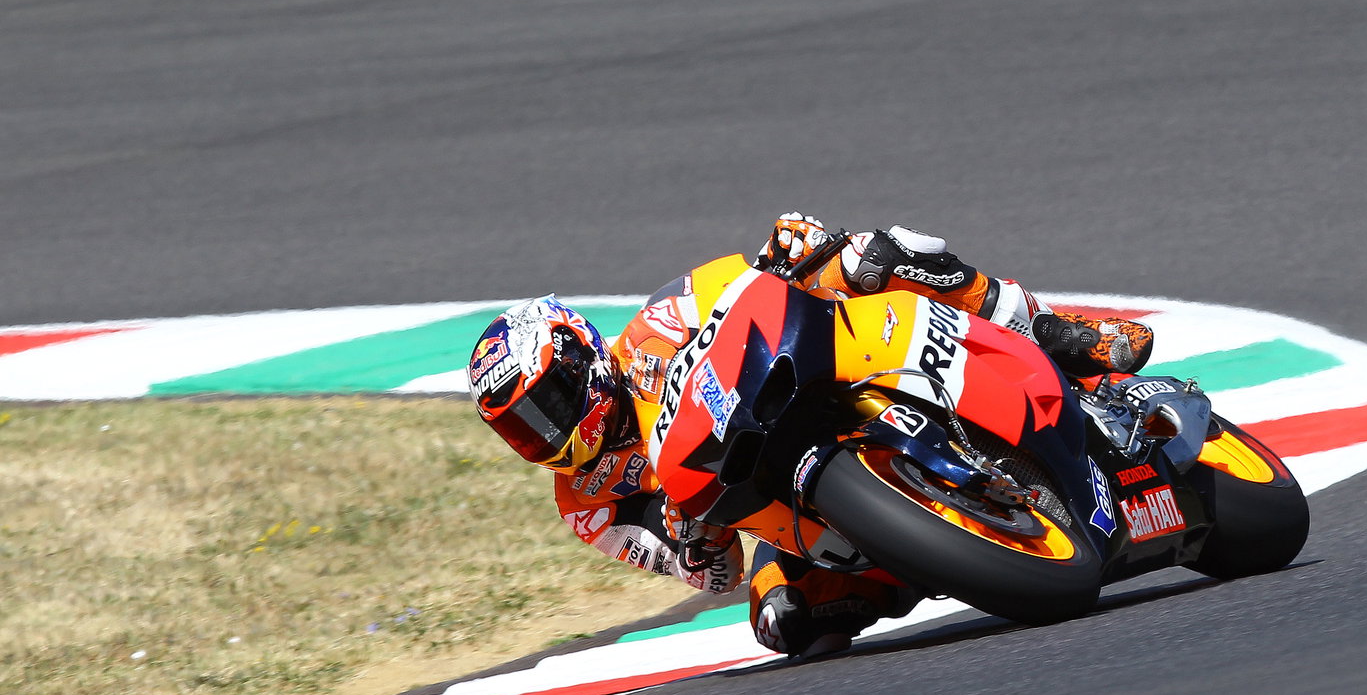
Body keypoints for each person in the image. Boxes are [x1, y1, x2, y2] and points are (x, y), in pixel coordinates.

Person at [469, 214, 1155, 658]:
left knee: (876, 255)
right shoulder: (588, 502)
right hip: (790, 509)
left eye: (547, 405)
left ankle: (1061, 334)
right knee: (782, 620)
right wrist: (690, 537)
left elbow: (751, 284)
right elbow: (715, 575)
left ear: (580, 358)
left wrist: (793, 250)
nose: (547, 432)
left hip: (816, 375)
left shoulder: (660, 319)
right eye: (523, 431)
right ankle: (928, 560)